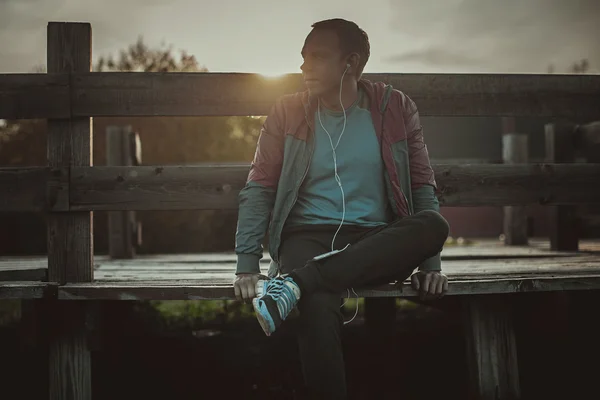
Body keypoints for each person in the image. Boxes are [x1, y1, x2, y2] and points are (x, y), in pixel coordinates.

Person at [233, 18, 450, 399]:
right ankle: (305, 286)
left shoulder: (394, 107)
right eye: (303, 57)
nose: (304, 66)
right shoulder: (287, 111)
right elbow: (259, 186)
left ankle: (296, 284)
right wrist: (247, 264)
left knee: (433, 225)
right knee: (317, 304)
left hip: (377, 238)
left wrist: (430, 267)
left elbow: (421, 184)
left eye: (317, 56)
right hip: (307, 235)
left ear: (350, 63)